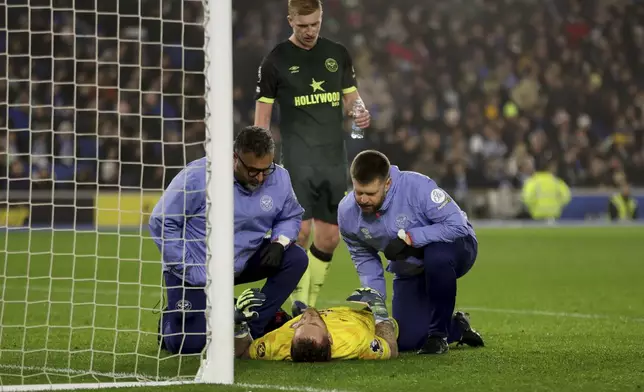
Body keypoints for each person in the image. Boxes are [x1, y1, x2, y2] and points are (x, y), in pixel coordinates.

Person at [148, 125, 309, 354]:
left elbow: (290, 215)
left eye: (267, 169)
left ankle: (250, 326)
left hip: (241, 262)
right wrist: (190, 269)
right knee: (188, 345)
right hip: (197, 269)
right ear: (236, 157)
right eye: (253, 171)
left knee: (295, 258)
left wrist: (279, 242)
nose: (261, 177)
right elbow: (161, 221)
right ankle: (169, 321)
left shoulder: (279, 178)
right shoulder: (199, 176)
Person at [254, 0, 371, 308]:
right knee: (300, 232)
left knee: (330, 238)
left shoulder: (337, 54)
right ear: (290, 20)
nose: (310, 31)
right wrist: (261, 161)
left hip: (333, 160)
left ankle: (307, 304)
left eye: (315, 24)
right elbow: (262, 119)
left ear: (322, 18)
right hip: (296, 161)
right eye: (303, 25)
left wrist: (359, 115)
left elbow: (352, 101)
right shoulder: (275, 60)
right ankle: (294, 302)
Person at [337, 150, 484, 355]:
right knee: (407, 341)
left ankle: (438, 336)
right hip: (410, 266)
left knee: (437, 256)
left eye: (370, 193)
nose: (362, 200)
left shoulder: (418, 187)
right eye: (358, 191)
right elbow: (366, 263)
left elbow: (456, 225)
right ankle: (457, 327)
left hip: (457, 247)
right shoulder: (347, 214)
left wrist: (410, 239)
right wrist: (379, 315)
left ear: (387, 184)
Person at [233, 287, 399, 361]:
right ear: (329, 337)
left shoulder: (279, 343)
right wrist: (379, 310)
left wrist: (239, 326)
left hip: (323, 315)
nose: (308, 318)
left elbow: (243, 353)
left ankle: (289, 317)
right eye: (314, 324)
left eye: (302, 323)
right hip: (359, 317)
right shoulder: (355, 340)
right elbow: (391, 349)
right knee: (410, 337)